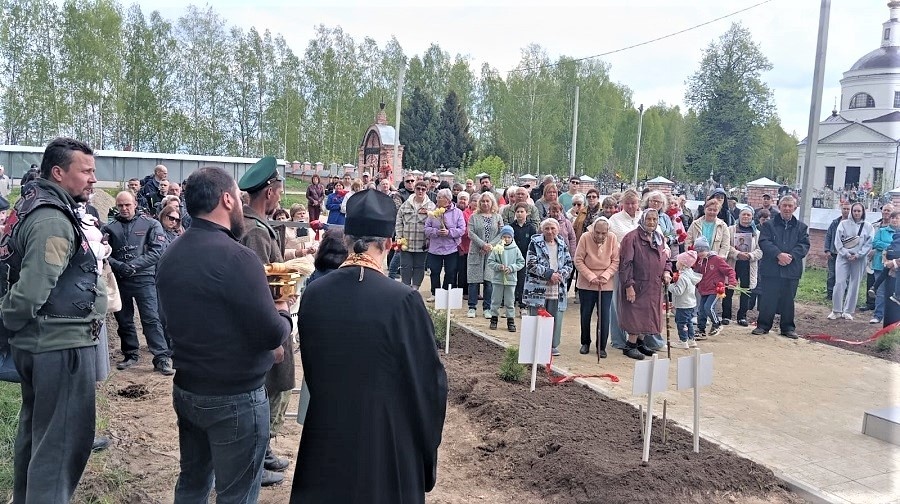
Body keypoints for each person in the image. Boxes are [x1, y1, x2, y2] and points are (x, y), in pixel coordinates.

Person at [290, 189, 448, 503]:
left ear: (346, 240)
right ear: (389, 243)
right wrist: (425, 451)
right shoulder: (403, 300)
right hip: (385, 441)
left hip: (326, 436)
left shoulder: (315, 293)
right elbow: (429, 384)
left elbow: (313, 367)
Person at [156, 166, 292, 502]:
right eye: (238, 197)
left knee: (192, 483)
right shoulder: (238, 257)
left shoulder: (171, 253)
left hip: (187, 388)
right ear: (227, 199)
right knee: (237, 493)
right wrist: (284, 310)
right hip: (235, 397)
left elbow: (165, 320)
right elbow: (271, 332)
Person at [0, 138, 106, 503]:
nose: (94, 179)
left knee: (38, 439)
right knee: (59, 450)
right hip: (60, 348)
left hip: (47, 345)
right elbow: (30, 293)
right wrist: (9, 324)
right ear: (59, 173)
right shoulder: (52, 220)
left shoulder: (36, 206)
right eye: (87, 171)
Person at [236, 156, 295, 483]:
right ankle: (254, 463)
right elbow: (259, 288)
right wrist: (271, 339)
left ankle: (265, 450)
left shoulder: (256, 225)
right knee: (267, 390)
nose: (280, 196)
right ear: (269, 192)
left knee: (273, 389)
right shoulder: (255, 231)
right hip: (269, 324)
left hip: (274, 316)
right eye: (279, 190)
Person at [103, 191, 173, 374]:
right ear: (116, 206)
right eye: (120, 205)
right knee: (124, 320)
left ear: (135, 203)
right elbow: (101, 253)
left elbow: (158, 251)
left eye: (127, 205)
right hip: (120, 279)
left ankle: (161, 357)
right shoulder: (110, 228)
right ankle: (130, 354)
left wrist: (134, 265)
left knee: (151, 318)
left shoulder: (151, 224)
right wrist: (119, 266)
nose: (124, 209)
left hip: (145, 278)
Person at [617, 208, 671, 359]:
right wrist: (628, 286)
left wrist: (667, 271)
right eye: (649, 219)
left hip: (654, 285)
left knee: (647, 315)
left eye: (654, 219)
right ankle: (630, 346)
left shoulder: (659, 237)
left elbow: (665, 259)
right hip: (637, 284)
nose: (652, 222)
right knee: (635, 314)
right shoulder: (632, 238)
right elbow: (625, 264)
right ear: (643, 219)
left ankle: (641, 343)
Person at [752, 196, 810, 338]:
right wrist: (778, 254)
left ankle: (788, 328)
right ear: (779, 206)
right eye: (784, 205)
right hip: (772, 268)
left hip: (791, 270)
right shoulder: (768, 225)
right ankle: (763, 325)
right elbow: (764, 242)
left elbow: (804, 245)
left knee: (788, 300)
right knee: (768, 299)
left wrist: (790, 257)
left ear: (795, 208)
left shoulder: (801, 227)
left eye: (790, 206)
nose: (787, 208)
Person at [523, 218, 574, 357]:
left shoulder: (562, 244)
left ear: (558, 230)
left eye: (553, 228)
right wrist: (549, 274)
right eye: (547, 228)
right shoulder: (535, 243)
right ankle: (535, 343)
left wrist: (558, 276)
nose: (550, 231)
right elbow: (531, 264)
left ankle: (552, 345)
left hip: (557, 286)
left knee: (554, 315)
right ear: (542, 230)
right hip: (538, 286)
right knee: (537, 314)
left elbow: (569, 265)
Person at [573, 217, 619, 357]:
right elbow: (578, 260)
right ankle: (585, 342)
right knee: (585, 314)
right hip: (587, 282)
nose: (600, 236)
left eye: (603, 233)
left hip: (605, 283)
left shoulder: (612, 238)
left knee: (604, 315)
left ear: (607, 231)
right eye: (597, 232)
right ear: (593, 229)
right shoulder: (585, 237)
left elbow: (616, 261)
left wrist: (605, 275)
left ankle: (602, 346)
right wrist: (590, 276)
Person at [828, 202, 874, 321]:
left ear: (863, 212)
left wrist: (858, 255)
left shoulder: (868, 226)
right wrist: (846, 253)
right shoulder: (843, 224)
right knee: (839, 282)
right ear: (851, 212)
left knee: (855, 283)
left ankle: (848, 310)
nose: (857, 213)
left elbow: (869, 243)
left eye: (859, 211)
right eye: (855, 211)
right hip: (843, 257)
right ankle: (836, 310)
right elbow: (837, 241)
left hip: (859, 259)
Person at [424, 188, 466, 300]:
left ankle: (446, 293)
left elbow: (462, 230)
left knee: (451, 271)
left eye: (439, 198)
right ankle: (435, 293)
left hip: (451, 248)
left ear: (447, 199)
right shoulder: (433, 212)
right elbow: (426, 229)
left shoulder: (458, 213)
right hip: (435, 248)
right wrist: (436, 232)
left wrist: (449, 232)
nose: (437, 200)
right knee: (435, 271)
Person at [466, 192, 503, 318]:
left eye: (488, 201)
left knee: (489, 281)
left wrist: (490, 246)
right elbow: (470, 233)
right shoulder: (473, 217)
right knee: (473, 281)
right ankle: (472, 307)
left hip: (491, 253)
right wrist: (482, 245)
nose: (485, 203)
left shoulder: (497, 217)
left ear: (492, 202)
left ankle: (487, 308)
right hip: (476, 251)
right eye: (483, 201)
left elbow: (501, 233)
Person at [691, 237, 736, 339]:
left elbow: (730, 271)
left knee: (708, 307)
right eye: (698, 251)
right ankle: (701, 330)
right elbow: (696, 274)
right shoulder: (699, 262)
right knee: (701, 310)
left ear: (707, 249)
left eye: (702, 250)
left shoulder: (717, 260)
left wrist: (732, 281)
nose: (700, 253)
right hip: (704, 289)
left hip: (716, 289)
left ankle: (717, 324)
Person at [724, 208, 763, 326]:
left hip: (748, 265)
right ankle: (726, 316)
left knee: (746, 291)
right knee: (728, 289)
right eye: (743, 214)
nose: (746, 217)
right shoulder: (730, 230)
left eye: (748, 215)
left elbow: (760, 250)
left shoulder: (757, 233)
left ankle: (742, 316)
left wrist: (750, 255)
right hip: (733, 263)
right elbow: (726, 246)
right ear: (739, 216)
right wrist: (737, 254)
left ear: (752, 217)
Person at [396, 180, 436, 291]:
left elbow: (435, 222)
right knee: (405, 266)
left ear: (426, 190)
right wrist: (399, 237)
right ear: (415, 189)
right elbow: (399, 220)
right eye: (418, 188)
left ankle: (415, 288)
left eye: (423, 189)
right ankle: (405, 288)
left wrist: (428, 213)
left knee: (419, 267)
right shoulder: (406, 204)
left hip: (422, 242)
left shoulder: (431, 206)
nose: (420, 191)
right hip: (406, 242)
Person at [487, 225, 525, 331]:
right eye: (504, 237)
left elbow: (521, 262)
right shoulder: (497, 248)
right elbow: (490, 261)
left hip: (511, 279)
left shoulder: (515, 249)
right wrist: (498, 267)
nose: (506, 239)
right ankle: (494, 319)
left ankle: (510, 321)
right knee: (496, 300)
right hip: (498, 279)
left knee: (510, 301)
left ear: (512, 237)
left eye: (508, 237)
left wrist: (512, 268)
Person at [668, 251, 701, 349]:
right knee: (689, 322)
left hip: (683, 304)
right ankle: (691, 339)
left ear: (682, 264)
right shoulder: (690, 274)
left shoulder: (682, 277)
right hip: (690, 303)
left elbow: (678, 291)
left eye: (677, 261)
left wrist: (670, 286)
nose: (676, 263)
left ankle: (683, 340)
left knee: (681, 322)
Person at [511, 202, 538, 308]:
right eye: (517, 212)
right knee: (512, 281)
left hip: (525, 258)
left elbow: (533, 244)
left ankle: (522, 305)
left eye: (522, 212)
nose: (519, 214)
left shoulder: (531, 227)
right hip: (513, 258)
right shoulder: (511, 226)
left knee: (522, 281)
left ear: (527, 213)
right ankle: (511, 303)